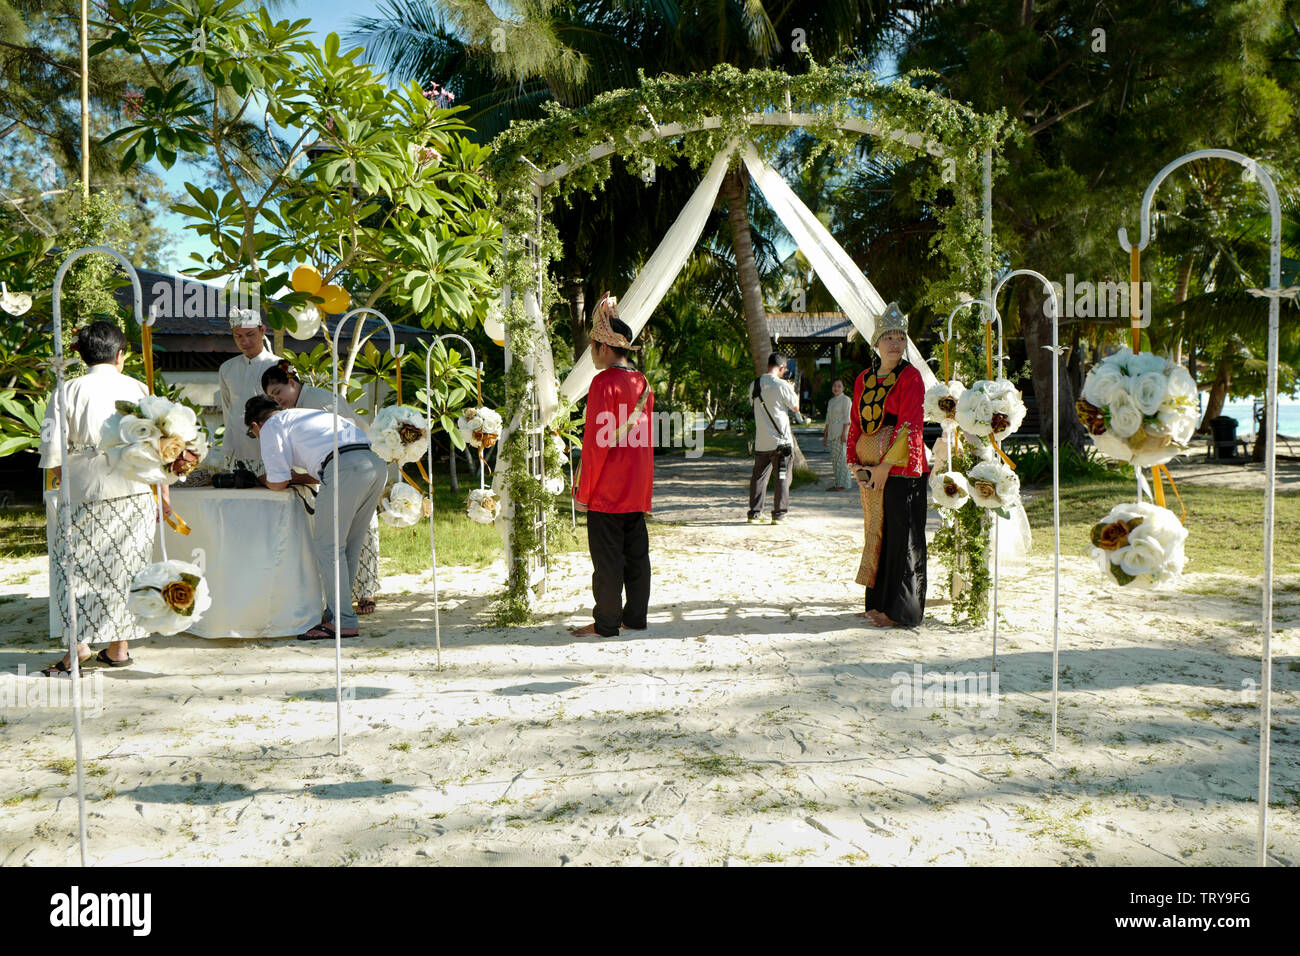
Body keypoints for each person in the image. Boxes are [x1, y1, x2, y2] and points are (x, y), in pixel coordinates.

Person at [38, 322, 165, 674]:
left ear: (82, 354)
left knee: (73, 569)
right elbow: (157, 445)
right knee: (126, 568)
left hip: (84, 487)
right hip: (133, 486)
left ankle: (77, 648)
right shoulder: (139, 387)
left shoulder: (68, 389)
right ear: (120, 354)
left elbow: (53, 448)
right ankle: (118, 648)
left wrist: (65, 481)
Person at [244, 395, 387, 641]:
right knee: (349, 547)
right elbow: (319, 471)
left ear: (255, 425)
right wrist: (296, 477)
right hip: (374, 464)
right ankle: (337, 614)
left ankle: (342, 620)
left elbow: (277, 483)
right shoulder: (306, 415)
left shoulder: (270, 427)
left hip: (345, 467)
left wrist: (259, 480)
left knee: (328, 547)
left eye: (252, 434)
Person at [261, 361, 382, 616]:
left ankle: (352, 604)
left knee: (336, 544)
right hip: (360, 469)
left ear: (292, 383)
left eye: (278, 393)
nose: (277, 401)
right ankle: (341, 613)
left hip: (350, 469)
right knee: (344, 544)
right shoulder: (293, 407)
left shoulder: (321, 400)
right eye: (271, 398)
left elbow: (347, 437)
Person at [571, 296, 654, 638]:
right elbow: (645, 444)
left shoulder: (602, 384)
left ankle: (606, 623)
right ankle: (634, 618)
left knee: (607, 563)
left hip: (607, 490)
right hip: (636, 487)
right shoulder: (643, 384)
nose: (591, 353)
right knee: (636, 558)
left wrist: (583, 491)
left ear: (603, 347)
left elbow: (595, 446)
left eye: (592, 346)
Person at [846, 303, 929, 628]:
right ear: (876, 343)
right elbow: (856, 422)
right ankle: (878, 604)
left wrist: (884, 467)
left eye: (900, 337)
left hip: (902, 470)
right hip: (869, 471)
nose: (895, 343)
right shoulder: (863, 378)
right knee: (877, 533)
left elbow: (910, 424)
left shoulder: (911, 377)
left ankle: (901, 612)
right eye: (889, 337)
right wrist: (855, 463)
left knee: (902, 537)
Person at [218, 308, 280, 470]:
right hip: (236, 447)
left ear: (263, 330)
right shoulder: (226, 368)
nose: (244, 341)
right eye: (238, 336)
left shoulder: (284, 365)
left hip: (273, 446)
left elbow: (294, 406)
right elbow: (227, 409)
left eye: (250, 334)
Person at [747, 352, 805, 524]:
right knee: (782, 477)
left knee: (758, 478)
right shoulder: (782, 385)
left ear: (767, 365)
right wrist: (792, 389)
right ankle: (779, 515)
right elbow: (795, 407)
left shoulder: (754, 384)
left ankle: (754, 514)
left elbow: (754, 406)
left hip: (762, 441)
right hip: (781, 442)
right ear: (782, 368)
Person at [823, 378, 853, 491]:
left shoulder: (846, 400)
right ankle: (837, 483)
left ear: (843, 388)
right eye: (835, 386)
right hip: (832, 432)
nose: (836, 388)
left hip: (841, 432)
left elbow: (847, 418)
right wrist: (825, 435)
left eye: (839, 386)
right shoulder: (831, 401)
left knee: (842, 459)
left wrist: (844, 434)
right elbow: (827, 419)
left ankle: (844, 484)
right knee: (835, 460)